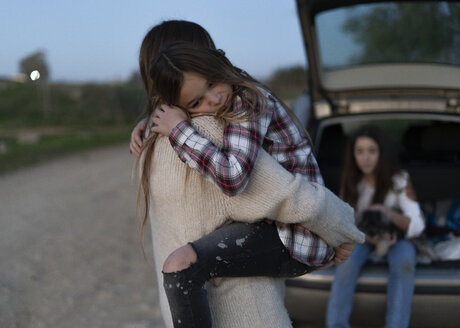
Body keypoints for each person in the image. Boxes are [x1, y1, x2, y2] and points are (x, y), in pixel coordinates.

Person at [139, 41, 364, 328]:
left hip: (295, 236)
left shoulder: (248, 101)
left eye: (212, 82)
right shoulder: (224, 101)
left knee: (182, 265)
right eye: (196, 103)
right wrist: (150, 122)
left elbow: (233, 177)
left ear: (221, 63)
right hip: (279, 230)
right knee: (179, 265)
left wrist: (178, 130)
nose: (214, 99)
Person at [326, 124, 425, 328]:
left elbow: (417, 224)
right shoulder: (351, 180)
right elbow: (344, 222)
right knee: (348, 261)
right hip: (362, 237)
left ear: (381, 153)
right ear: (353, 155)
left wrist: (386, 213)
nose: (366, 158)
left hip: (399, 239)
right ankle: (336, 323)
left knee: (405, 261)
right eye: (359, 152)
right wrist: (368, 236)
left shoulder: (399, 180)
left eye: (372, 151)